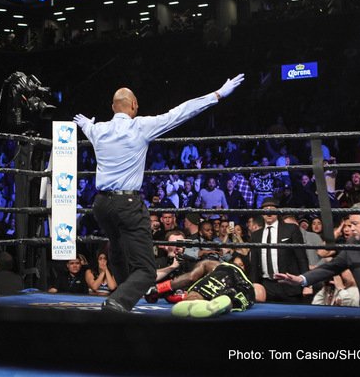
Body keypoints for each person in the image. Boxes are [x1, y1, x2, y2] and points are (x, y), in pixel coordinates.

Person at [73, 74, 244, 312]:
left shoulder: (98, 129)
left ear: (113, 108)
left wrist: (84, 124)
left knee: (118, 249)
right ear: (133, 106)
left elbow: (87, 127)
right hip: (127, 202)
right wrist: (217, 95)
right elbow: (181, 112)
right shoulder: (140, 126)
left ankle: (121, 296)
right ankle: (118, 301)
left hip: (101, 204)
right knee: (145, 270)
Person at [145, 259, 265, 316]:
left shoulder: (214, 265)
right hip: (250, 291)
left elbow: (191, 277)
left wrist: (159, 289)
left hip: (226, 271)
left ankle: (203, 301)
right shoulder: (252, 284)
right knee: (241, 297)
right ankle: (226, 303)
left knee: (196, 294)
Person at [249, 198, 308, 303]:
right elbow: (254, 264)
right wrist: (254, 286)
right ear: (262, 213)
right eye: (266, 209)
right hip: (266, 286)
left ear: (277, 211)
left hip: (289, 284)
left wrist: (307, 284)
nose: (269, 212)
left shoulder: (291, 229)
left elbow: (301, 258)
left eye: (272, 209)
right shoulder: (256, 235)